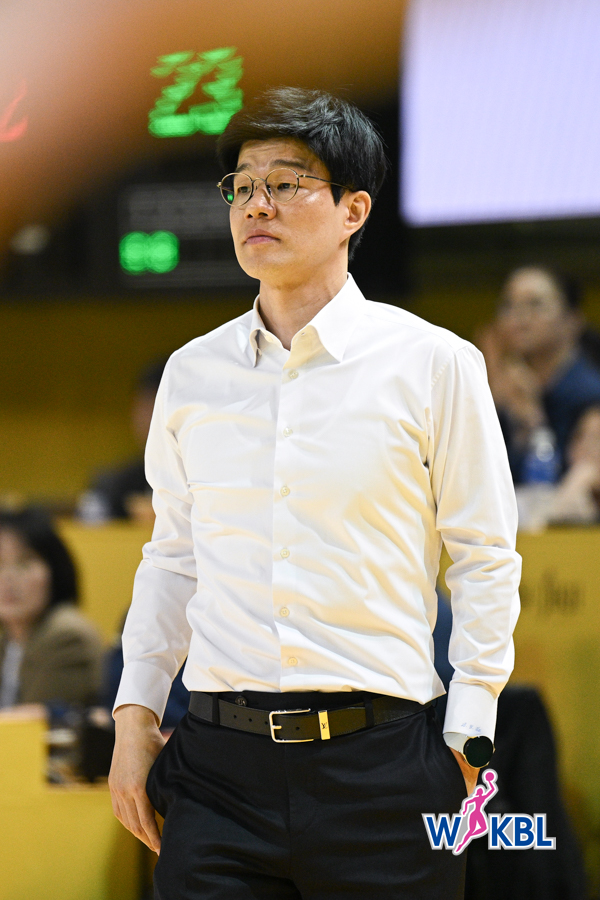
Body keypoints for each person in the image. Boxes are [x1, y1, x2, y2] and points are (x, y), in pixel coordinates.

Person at [109, 88, 521, 900]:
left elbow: (484, 556)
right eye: (242, 185)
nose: (255, 204)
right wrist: (134, 716)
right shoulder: (191, 373)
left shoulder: (435, 362)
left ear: (352, 211)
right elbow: (174, 560)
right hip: (218, 768)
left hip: (385, 764)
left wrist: (470, 733)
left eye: (286, 183)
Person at [479, 264, 600, 484]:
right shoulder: (506, 388)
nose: (519, 317)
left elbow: (568, 486)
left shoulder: (590, 396)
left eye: (535, 304)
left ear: (573, 319)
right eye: (508, 305)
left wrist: (534, 423)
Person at [0, 506, 102, 707]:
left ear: (54, 569)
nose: (8, 578)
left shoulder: (67, 636)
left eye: (24, 563)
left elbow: (34, 719)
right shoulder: (9, 638)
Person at [78, 358, 167, 523]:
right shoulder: (112, 485)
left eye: (157, 407)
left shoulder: (207, 483)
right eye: (143, 407)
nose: (147, 419)